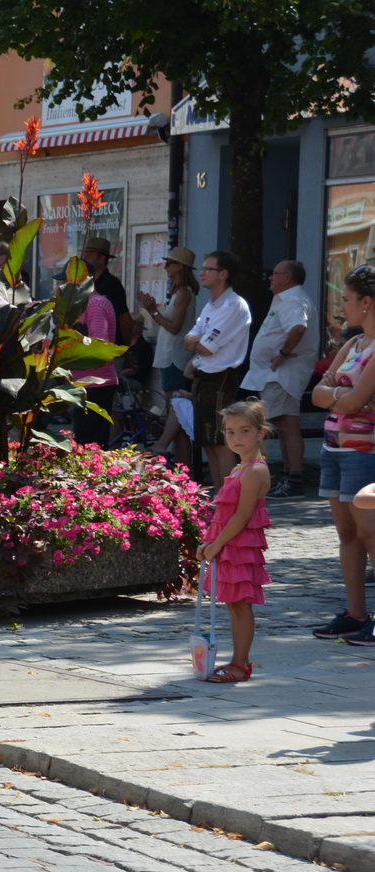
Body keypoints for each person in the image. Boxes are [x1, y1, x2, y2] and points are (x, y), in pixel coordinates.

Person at [309, 265, 375, 643]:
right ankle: (356, 613)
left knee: (370, 533)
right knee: (347, 534)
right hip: (334, 448)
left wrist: (337, 396)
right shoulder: (353, 344)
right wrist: (340, 397)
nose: (341, 307)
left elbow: (353, 400)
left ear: (366, 302)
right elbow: (318, 395)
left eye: (347, 300)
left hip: (364, 451)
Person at [197, 400, 273, 682]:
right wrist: (209, 541)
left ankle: (241, 664)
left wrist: (217, 544)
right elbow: (225, 514)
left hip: (241, 547)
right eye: (230, 432)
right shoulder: (239, 468)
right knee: (233, 604)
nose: (236, 438)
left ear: (261, 433)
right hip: (229, 545)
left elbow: (242, 515)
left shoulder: (255, 470)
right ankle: (236, 660)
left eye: (244, 431)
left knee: (240, 604)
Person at [242, 260, 316, 497]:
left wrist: (282, 354)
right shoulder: (285, 299)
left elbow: (298, 328)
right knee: (283, 427)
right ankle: (288, 478)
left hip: (282, 374)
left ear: (288, 277)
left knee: (286, 426)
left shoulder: (294, 299)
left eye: (275, 273)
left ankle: (293, 480)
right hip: (274, 374)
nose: (270, 277)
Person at [184, 251, 253, 485]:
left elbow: (204, 348)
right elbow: (187, 341)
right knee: (208, 443)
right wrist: (199, 339)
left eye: (207, 269)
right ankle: (219, 496)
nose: (201, 273)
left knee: (220, 442)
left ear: (223, 274)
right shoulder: (212, 305)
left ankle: (229, 497)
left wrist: (198, 340)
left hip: (220, 378)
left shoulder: (233, 305)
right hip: (204, 378)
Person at [140, 248, 200, 461]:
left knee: (177, 408)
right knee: (179, 417)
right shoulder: (179, 292)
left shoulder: (183, 293)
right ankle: (184, 466)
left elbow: (174, 327)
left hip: (175, 357)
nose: (165, 267)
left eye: (169, 263)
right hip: (171, 356)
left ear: (179, 267)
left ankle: (164, 446)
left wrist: (152, 311)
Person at [65, 275, 120, 447]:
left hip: (95, 384)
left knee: (88, 444)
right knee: (87, 443)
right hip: (87, 383)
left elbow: (98, 345)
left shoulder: (95, 304)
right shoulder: (86, 304)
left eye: (66, 281)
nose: (63, 286)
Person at [80, 236, 135, 345]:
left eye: (89, 256)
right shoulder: (88, 284)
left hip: (109, 348)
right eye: (84, 256)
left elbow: (126, 321)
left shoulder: (112, 285)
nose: (84, 260)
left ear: (102, 259)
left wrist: (124, 349)